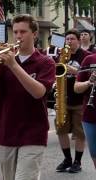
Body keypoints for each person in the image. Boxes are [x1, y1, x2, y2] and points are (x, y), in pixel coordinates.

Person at [0, 14, 55, 180]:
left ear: (34, 34)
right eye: (15, 32)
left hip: (33, 132)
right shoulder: (5, 61)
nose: (18, 36)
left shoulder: (45, 62)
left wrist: (14, 65)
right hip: (7, 130)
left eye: (23, 31)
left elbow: (39, 92)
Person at [55, 29, 91, 173]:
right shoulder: (62, 55)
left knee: (79, 133)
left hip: (80, 100)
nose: (69, 42)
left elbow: (88, 74)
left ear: (79, 40)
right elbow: (57, 72)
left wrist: (71, 69)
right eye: (67, 39)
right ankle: (67, 159)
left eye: (72, 39)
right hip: (63, 98)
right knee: (61, 130)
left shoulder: (86, 56)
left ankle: (77, 161)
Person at [74, 53, 96, 168]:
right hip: (90, 115)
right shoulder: (89, 60)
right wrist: (89, 82)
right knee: (94, 153)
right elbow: (76, 88)